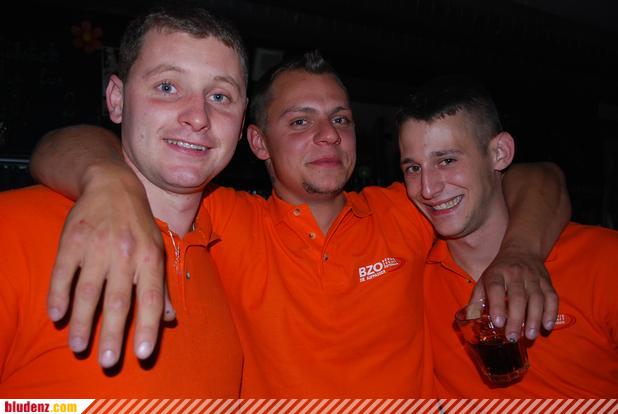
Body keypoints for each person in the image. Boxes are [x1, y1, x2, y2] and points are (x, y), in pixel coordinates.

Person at [30, 51, 570, 397]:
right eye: (300, 121)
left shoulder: (404, 209)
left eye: (340, 118)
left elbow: (535, 177)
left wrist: (520, 252)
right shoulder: (223, 216)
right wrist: (108, 180)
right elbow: (60, 144)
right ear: (258, 142)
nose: (329, 134)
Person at [0, 3, 246, 397]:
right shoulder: (11, 230)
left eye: (220, 96)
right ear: (116, 99)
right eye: (167, 87)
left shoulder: (235, 247)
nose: (198, 116)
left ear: (242, 123)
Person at [397, 75, 618, 397]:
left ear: (500, 153)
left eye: (447, 160)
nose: (428, 189)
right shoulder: (410, 280)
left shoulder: (604, 260)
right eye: (413, 168)